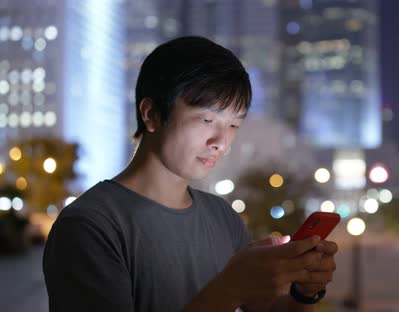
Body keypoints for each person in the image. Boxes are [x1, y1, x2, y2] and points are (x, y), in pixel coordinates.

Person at [43, 36, 338, 312]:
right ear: (152, 114)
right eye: (207, 119)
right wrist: (231, 288)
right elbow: (230, 296)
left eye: (234, 125)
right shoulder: (90, 226)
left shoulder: (222, 217)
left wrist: (303, 291)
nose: (221, 142)